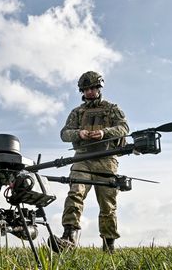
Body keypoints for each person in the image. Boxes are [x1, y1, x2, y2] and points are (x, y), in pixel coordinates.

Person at [53, 71, 129, 253]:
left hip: (106, 160)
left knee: (107, 204)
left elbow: (124, 128)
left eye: (93, 88)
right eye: (86, 89)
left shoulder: (112, 109)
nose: (90, 92)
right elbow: (64, 133)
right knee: (75, 194)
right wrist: (79, 133)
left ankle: (108, 246)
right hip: (82, 159)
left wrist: (104, 133)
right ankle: (68, 238)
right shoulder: (77, 112)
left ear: (99, 88)